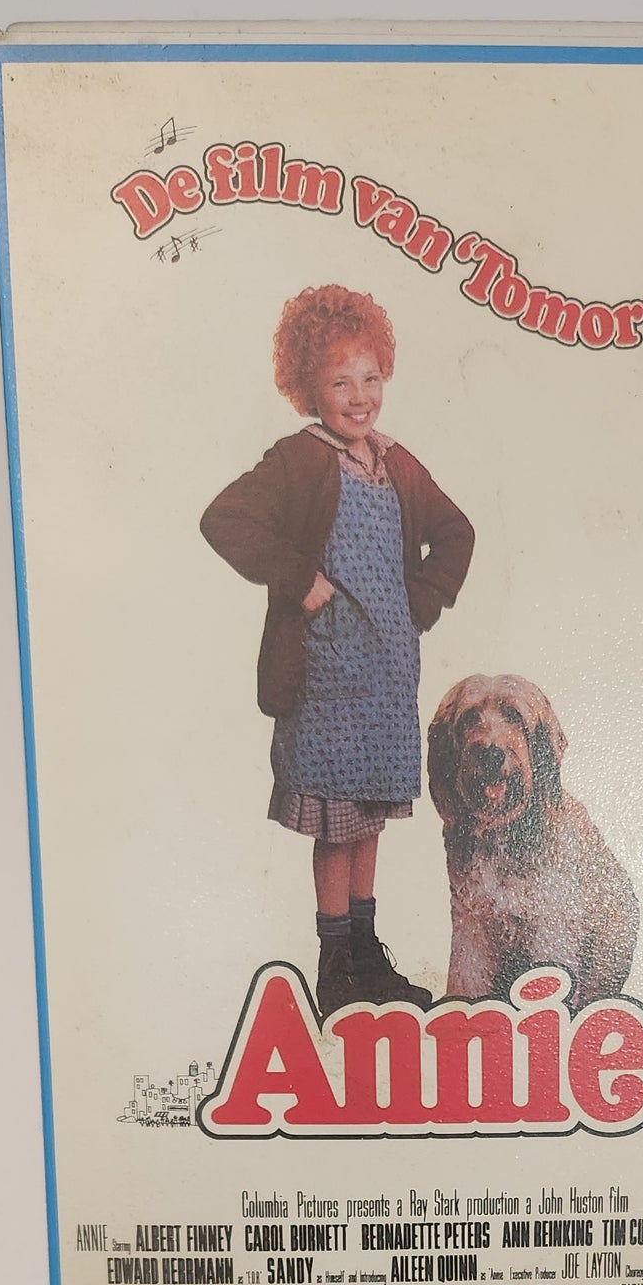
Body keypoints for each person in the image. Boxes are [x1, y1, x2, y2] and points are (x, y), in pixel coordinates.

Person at [201, 284, 474, 1011]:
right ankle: (334, 966)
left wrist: (419, 601)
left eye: (370, 378)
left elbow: (457, 533)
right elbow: (225, 518)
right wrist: (299, 580)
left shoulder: (396, 463)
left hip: (386, 676)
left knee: (370, 818)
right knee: (337, 822)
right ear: (307, 387)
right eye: (339, 383)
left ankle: (365, 953)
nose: (359, 397)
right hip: (324, 678)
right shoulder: (299, 460)